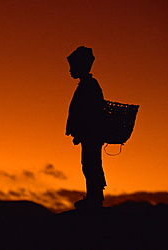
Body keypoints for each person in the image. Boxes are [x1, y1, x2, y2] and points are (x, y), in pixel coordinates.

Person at [66, 46, 106, 208]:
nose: (70, 70)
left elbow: (89, 112)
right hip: (90, 133)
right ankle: (94, 195)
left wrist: (82, 131)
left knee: (91, 163)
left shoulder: (89, 86)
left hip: (92, 133)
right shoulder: (87, 85)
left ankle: (95, 197)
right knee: (90, 163)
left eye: (72, 67)